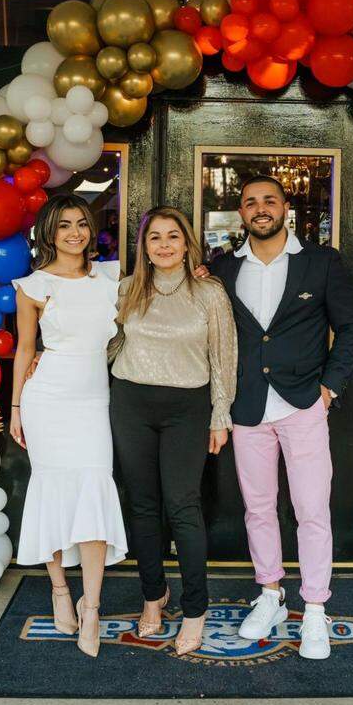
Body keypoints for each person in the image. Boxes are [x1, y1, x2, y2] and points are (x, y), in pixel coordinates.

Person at [209, 175, 353, 660]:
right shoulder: (222, 268)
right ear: (241, 213)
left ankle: (315, 608)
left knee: (312, 511)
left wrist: (328, 389)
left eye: (269, 200)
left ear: (284, 208)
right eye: (251, 202)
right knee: (258, 508)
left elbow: (352, 328)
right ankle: (271, 594)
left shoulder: (321, 263)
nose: (260, 208)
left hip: (303, 407)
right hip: (248, 406)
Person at [110, 206, 237, 657]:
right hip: (131, 402)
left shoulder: (208, 292)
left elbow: (224, 356)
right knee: (143, 506)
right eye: (154, 237)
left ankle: (195, 609)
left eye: (172, 236)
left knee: (183, 506)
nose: (164, 244)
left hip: (188, 406)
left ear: (187, 244)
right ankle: (152, 597)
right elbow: (106, 341)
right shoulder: (127, 289)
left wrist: (220, 413)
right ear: (144, 246)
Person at [8, 194, 128, 659]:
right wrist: (16, 406)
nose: (74, 233)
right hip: (48, 398)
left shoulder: (110, 276)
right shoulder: (33, 285)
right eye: (64, 226)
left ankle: (92, 605)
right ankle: (60, 588)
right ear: (49, 233)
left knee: (95, 486)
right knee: (53, 490)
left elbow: (158, 287)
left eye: (81, 223)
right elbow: (24, 349)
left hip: (94, 398)